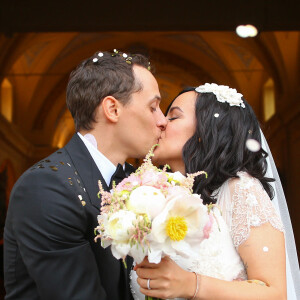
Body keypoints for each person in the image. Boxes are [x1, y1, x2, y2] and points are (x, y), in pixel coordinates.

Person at [4, 50, 167, 299]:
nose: (163, 120)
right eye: (153, 107)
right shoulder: (46, 189)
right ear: (112, 109)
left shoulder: (136, 180)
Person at [133, 83, 300, 299]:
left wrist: (191, 284)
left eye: (173, 117)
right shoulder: (162, 196)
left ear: (206, 131)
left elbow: (275, 293)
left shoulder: (240, 189)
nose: (162, 122)